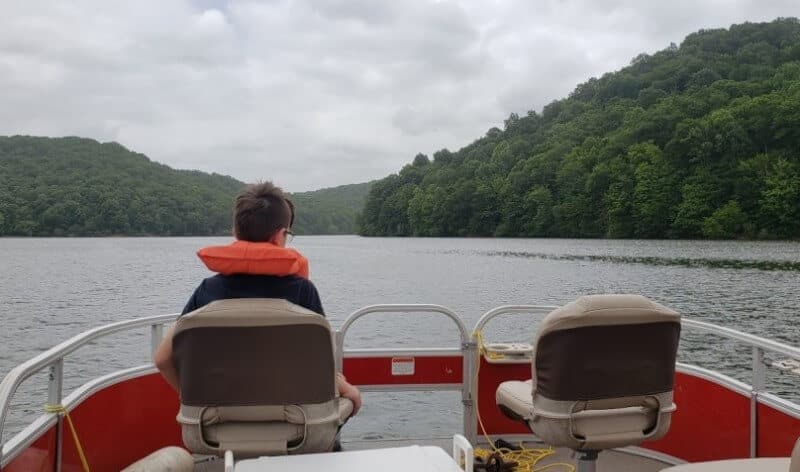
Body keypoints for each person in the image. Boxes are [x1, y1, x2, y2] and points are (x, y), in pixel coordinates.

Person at [153, 181, 362, 416]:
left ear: (236, 233)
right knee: (350, 400)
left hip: (219, 424)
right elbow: (321, 363)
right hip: (294, 423)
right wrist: (348, 390)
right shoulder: (303, 291)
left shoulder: (207, 291)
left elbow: (162, 359)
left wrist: (193, 401)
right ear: (280, 236)